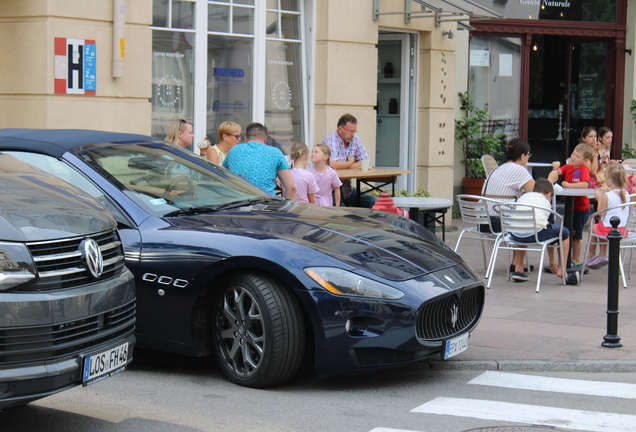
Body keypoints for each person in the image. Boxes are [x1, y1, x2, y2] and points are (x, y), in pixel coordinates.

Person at [482, 138, 539, 281]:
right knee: (526, 217)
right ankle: (518, 266)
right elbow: (538, 192)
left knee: (518, 212)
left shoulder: (498, 168)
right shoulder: (519, 169)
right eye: (528, 156)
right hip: (500, 220)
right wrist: (551, 178)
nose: (528, 159)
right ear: (522, 156)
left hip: (484, 219)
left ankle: (517, 262)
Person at [512, 178, 580, 285]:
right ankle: (562, 269)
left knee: (524, 227)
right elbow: (548, 224)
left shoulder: (523, 197)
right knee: (564, 232)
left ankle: (518, 267)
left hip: (515, 235)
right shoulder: (545, 202)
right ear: (549, 194)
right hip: (536, 234)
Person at [223, 122, 296, 200]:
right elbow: (291, 188)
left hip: (237, 204)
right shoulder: (275, 153)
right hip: (266, 204)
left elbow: (222, 176)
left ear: (245, 139)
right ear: (265, 138)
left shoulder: (233, 150)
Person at [551, 142, 594, 266]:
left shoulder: (583, 169)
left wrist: (569, 185)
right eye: (573, 154)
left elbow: (585, 184)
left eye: (578, 156)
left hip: (581, 207)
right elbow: (558, 172)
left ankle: (576, 259)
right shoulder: (568, 167)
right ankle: (567, 259)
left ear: (585, 160)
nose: (574, 157)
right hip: (570, 207)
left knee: (576, 235)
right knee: (568, 232)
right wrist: (556, 165)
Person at [322, 113, 375, 208]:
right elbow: (332, 164)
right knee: (345, 215)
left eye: (354, 131)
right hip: (331, 191)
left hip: (347, 190)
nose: (353, 135)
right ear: (340, 129)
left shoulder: (355, 139)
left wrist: (345, 165)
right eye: (350, 131)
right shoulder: (331, 140)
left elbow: (365, 161)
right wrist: (351, 163)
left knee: (374, 202)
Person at [586, 163, 630, 270]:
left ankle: (593, 255)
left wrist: (599, 199)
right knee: (600, 227)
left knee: (592, 228)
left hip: (611, 230)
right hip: (624, 230)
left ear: (609, 179)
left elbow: (600, 213)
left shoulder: (607, 195)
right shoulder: (626, 193)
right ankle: (601, 255)